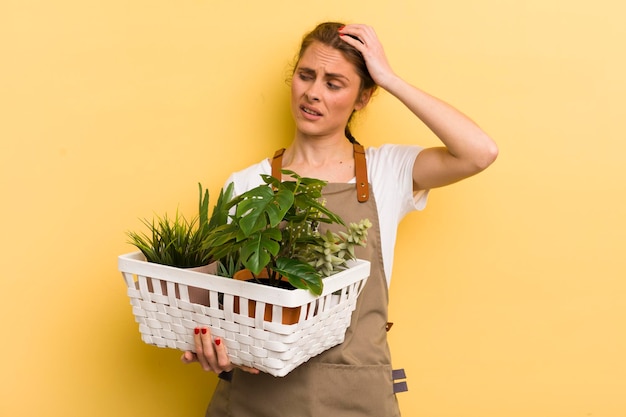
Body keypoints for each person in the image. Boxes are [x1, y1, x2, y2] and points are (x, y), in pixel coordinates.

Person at [181, 22, 498, 416]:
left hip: (357, 396)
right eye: (306, 75)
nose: (313, 92)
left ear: (363, 98)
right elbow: (213, 298)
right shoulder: (246, 184)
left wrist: (389, 78)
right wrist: (214, 345)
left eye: (334, 83)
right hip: (257, 399)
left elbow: (479, 152)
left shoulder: (386, 172)